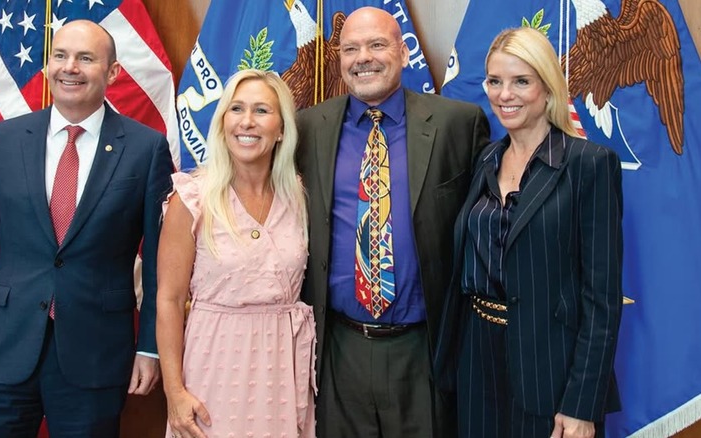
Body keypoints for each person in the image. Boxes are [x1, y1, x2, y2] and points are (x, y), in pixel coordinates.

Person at [0, 19, 174, 438]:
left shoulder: (145, 148)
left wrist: (149, 346)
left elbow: (157, 264)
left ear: (113, 72)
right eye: (60, 56)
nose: (70, 67)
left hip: (96, 355)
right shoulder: (4, 140)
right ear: (46, 67)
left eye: (85, 58)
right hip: (4, 349)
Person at [296, 6, 491, 437]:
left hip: (425, 349)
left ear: (403, 53)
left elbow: (486, 230)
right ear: (339, 58)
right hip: (338, 350)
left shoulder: (457, 124)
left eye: (377, 44)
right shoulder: (307, 128)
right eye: (351, 48)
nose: (363, 57)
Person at [435, 27, 623, 438]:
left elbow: (602, 299)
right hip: (476, 361)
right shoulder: (486, 158)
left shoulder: (588, 164)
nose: (505, 95)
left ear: (547, 86)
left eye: (521, 81)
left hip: (550, 371)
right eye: (495, 81)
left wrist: (581, 404)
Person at [156, 69, 315, 438]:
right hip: (214, 366)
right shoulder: (192, 198)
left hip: (283, 368)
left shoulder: (300, 197)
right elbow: (168, 298)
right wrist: (174, 390)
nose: (247, 121)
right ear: (222, 122)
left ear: (281, 129)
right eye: (236, 109)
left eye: (261, 110)